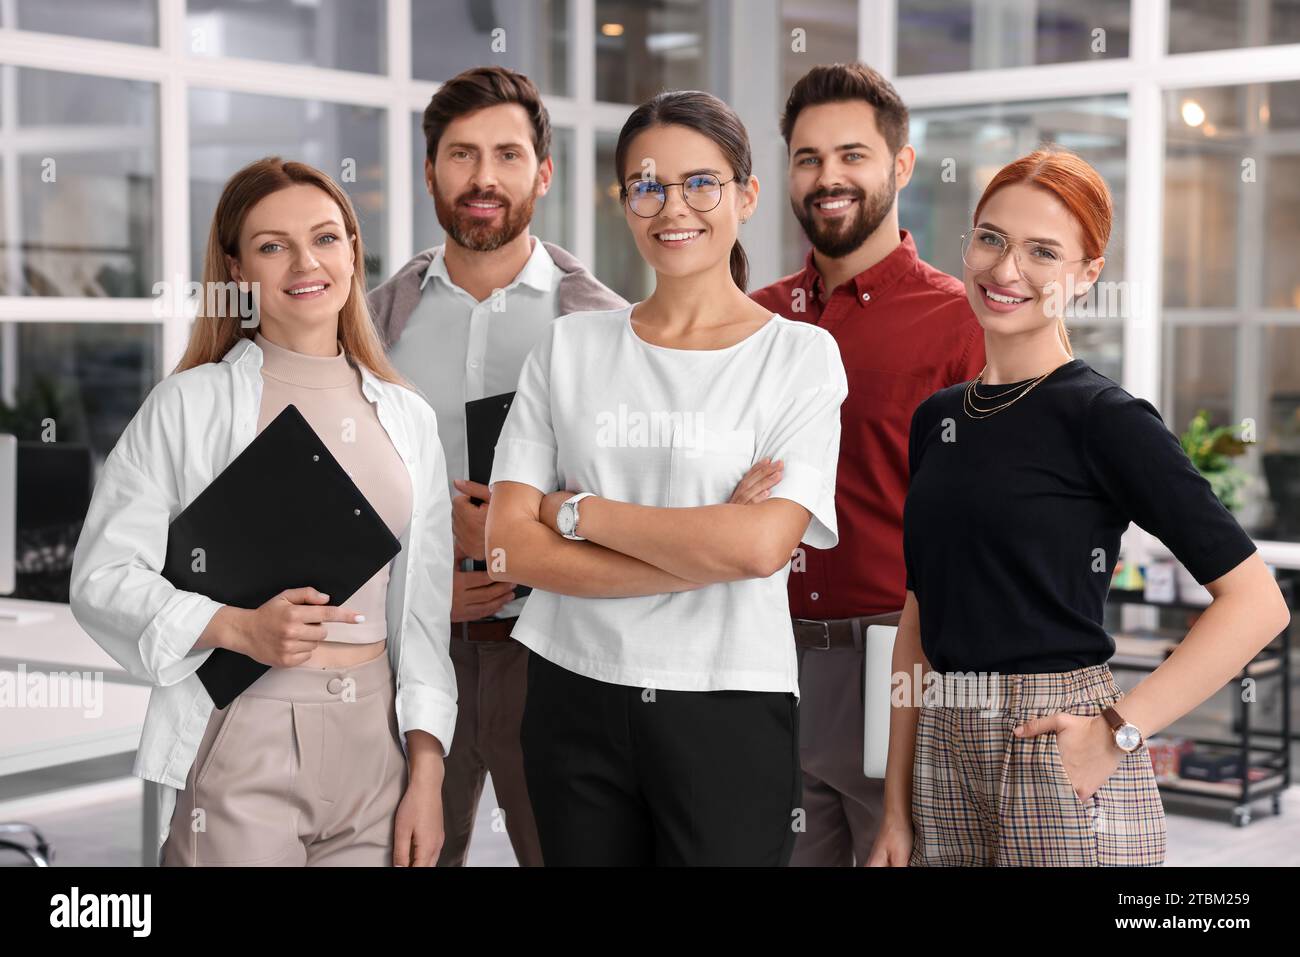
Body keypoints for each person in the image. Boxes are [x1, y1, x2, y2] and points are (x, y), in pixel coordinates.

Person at [868, 147, 1290, 867]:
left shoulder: (1105, 417)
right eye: (991, 238)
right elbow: (917, 616)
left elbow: (1257, 604)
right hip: (943, 742)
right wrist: (896, 811)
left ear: (1087, 275)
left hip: (1054, 742)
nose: (1005, 271)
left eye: (1043, 251)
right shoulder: (938, 418)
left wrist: (1118, 730)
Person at [485, 90, 848, 866]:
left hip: (728, 700)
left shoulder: (800, 357)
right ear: (626, 202)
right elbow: (510, 550)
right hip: (569, 690)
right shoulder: (567, 349)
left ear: (747, 196)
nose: (672, 206)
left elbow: (757, 548)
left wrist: (576, 513)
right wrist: (701, 549)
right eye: (647, 186)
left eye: (701, 183)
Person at [70, 157, 457, 867]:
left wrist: (426, 770)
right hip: (245, 733)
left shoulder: (407, 417)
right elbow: (102, 576)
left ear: (352, 251)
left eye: (326, 238)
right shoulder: (189, 405)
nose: (306, 262)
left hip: (376, 742)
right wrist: (234, 625)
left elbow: (425, 614)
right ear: (237, 268)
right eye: (273, 245)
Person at [368, 66, 624, 867]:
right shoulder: (373, 324)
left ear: (542, 173)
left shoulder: (605, 326)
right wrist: (415, 590)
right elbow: (341, 490)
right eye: (461, 155)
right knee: (401, 855)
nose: (484, 178)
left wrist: (525, 526)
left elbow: (637, 499)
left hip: (550, 645)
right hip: (411, 645)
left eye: (508, 155)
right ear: (430, 170)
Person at [749, 62, 986, 866]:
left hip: (894, 663)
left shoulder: (961, 322)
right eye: (808, 158)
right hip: (761, 655)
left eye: (853, 155)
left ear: (902, 165)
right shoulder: (756, 321)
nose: (828, 178)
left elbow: (984, 527)